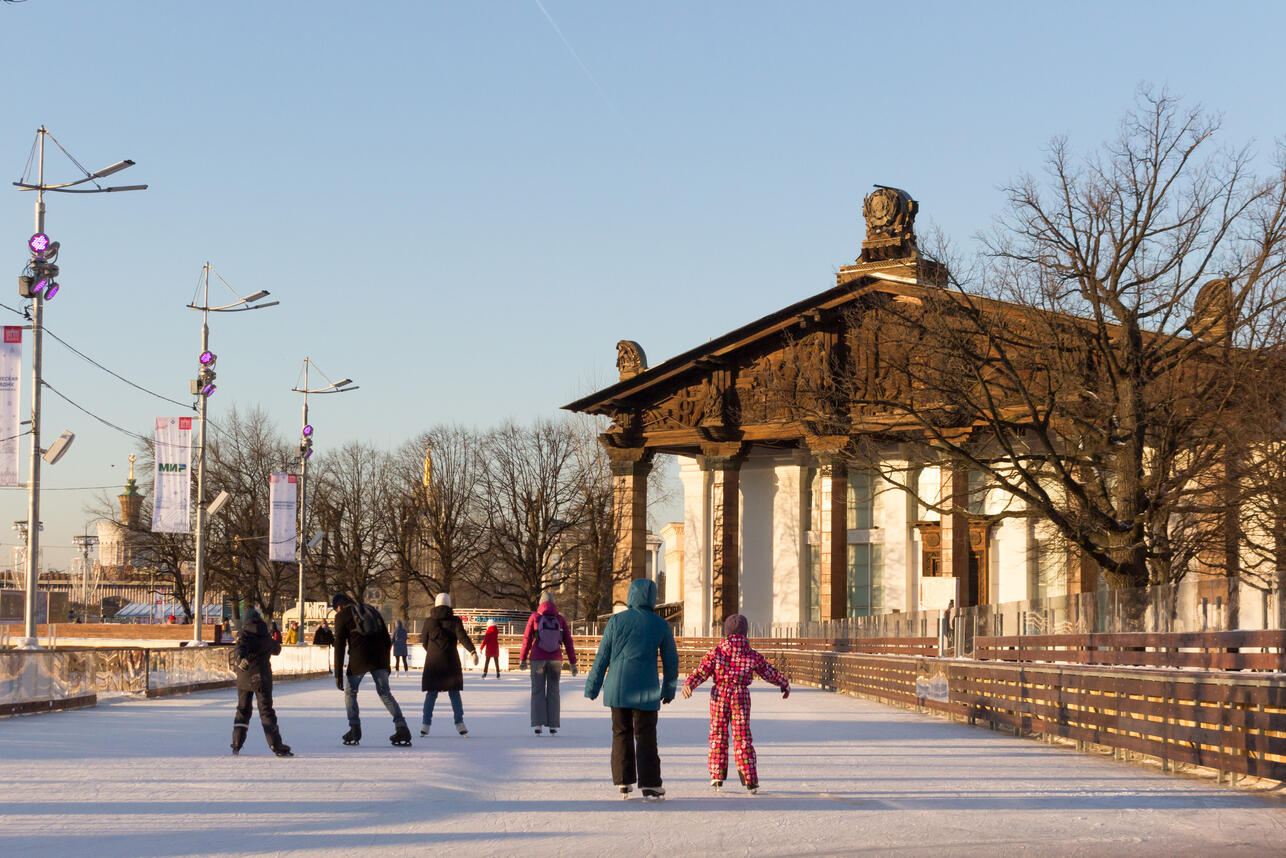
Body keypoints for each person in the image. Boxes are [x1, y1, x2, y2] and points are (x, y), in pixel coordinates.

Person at [584, 578, 678, 799]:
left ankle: (624, 781)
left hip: (618, 688)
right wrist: (669, 689)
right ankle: (650, 783)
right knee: (646, 735)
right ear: (652, 597)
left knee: (621, 733)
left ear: (631, 596)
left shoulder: (616, 621)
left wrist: (593, 687)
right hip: (646, 690)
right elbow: (671, 661)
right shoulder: (660, 624)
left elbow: (602, 656)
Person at [681, 613, 789, 793]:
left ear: (725, 632)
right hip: (740, 696)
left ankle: (716, 775)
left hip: (720, 695)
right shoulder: (751, 655)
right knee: (742, 736)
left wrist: (689, 684)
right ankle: (749, 778)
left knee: (718, 734)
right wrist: (783, 683)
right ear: (745, 633)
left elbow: (701, 671)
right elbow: (768, 671)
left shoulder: (716, 652)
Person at [332, 593, 412, 747]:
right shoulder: (370, 610)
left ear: (339, 606)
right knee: (385, 693)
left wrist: (338, 674)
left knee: (350, 692)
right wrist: (387, 663)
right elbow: (386, 637)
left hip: (359, 658)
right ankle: (402, 728)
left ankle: (354, 729)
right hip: (379, 657)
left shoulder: (342, 615)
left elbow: (339, 645)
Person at [231, 606, 292, 757]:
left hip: (245, 677)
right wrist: (272, 642)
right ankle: (276, 745)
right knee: (266, 711)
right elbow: (277, 649)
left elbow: (240, 648)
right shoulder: (265, 635)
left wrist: (240, 659)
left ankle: (237, 743)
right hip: (262, 677)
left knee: (243, 710)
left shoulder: (244, 633)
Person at [419, 593, 477, 737]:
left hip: (433, 662)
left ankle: (425, 725)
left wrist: (433, 651)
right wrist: (472, 651)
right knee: (454, 693)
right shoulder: (455, 621)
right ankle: (460, 723)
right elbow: (462, 637)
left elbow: (424, 641)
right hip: (451, 660)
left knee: (431, 694)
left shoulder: (429, 621)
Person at [519, 595, 578, 735]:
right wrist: (573, 662)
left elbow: (527, 639)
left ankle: (538, 724)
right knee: (554, 691)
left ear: (540, 603)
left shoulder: (535, 617)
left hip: (537, 659)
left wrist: (522, 658)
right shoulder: (560, 619)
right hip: (555, 659)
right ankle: (553, 725)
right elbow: (568, 642)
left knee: (537, 690)